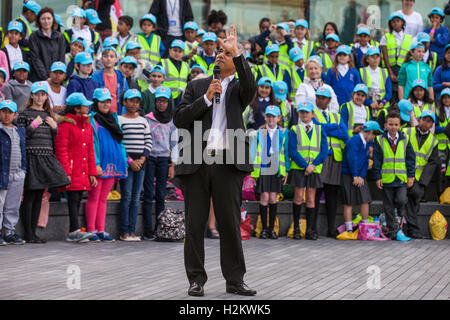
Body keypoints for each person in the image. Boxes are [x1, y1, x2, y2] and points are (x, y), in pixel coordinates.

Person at [173, 25, 257, 297]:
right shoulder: (198, 84)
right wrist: (206, 99)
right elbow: (179, 118)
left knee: (230, 223)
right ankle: (196, 280)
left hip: (227, 162)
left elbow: (250, 85)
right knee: (194, 225)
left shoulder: (240, 89)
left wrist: (239, 53)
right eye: (219, 52)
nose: (221, 55)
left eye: (226, 53)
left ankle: (235, 280)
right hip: (196, 162)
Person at [16, 81, 70, 243]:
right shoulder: (25, 113)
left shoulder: (49, 115)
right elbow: (20, 137)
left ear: (47, 96)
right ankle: (28, 233)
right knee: (30, 196)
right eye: (37, 94)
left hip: (45, 157)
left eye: (43, 94)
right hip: (32, 157)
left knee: (39, 195)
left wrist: (54, 129)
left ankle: (33, 232)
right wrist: (33, 125)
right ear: (31, 95)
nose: (40, 97)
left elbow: (53, 140)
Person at [86, 88, 127, 242]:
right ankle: (91, 230)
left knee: (103, 198)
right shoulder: (91, 120)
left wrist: (124, 162)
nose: (106, 104)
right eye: (102, 101)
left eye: (108, 101)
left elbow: (120, 142)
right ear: (96, 103)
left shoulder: (114, 119)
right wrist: (94, 164)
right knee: (94, 197)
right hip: (98, 164)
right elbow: (91, 144)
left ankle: (101, 230)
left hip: (113, 164)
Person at [55, 92, 97, 243]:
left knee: (78, 198)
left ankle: (75, 229)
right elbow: (61, 150)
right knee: (73, 199)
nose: (88, 106)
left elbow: (90, 151)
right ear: (77, 109)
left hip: (83, 170)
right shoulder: (65, 125)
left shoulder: (87, 125)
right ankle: (73, 230)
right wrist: (66, 172)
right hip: (72, 171)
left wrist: (92, 172)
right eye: (85, 104)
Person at [372, 111, 416, 239]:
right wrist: (377, 177)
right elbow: (377, 160)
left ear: (400, 125)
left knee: (401, 200)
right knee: (388, 205)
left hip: (401, 178)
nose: (393, 127)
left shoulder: (405, 139)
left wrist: (411, 176)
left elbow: (410, 159)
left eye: (396, 124)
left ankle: (400, 226)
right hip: (387, 178)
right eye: (390, 124)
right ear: (385, 125)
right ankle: (393, 231)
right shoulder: (379, 140)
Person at [288, 100, 328, 240]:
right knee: (298, 197)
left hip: (314, 169)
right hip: (300, 168)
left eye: (307, 112)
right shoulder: (294, 130)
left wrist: (312, 166)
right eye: (301, 112)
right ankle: (297, 229)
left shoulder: (320, 129)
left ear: (312, 114)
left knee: (311, 199)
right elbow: (292, 151)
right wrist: (306, 166)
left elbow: (324, 151)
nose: (304, 115)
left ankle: (311, 229)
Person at [142, 86, 177, 240]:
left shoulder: (172, 121)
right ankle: (148, 229)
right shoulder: (148, 118)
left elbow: (174, 143)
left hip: (164, 159)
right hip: (149, 158)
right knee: (149, 193)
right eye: (159, 101)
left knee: (161, 195)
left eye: (164, 101)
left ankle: (160, 229)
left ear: (169, 103)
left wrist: (173, 165)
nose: (161, 104)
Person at [313, 86, 348, 238]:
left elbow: (344, 134)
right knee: (316, 192)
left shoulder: (337, 116)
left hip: (335, 157)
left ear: (328, 100)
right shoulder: (312, 114)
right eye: (318, 97)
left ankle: (331, 228)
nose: (320, 99)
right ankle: (313, 228)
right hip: (321, 157)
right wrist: (333, 128)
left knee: (332, 194)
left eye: (323, 97)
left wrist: (326, 128)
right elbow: (316, 129)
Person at [250, 105, 289, 240]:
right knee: (264, 198)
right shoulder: (259, 133)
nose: (271, 118)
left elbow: (286, 152)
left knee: (273, 198)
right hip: (263, 168)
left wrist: (286, 171)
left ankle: (272, 229)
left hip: (276, 168)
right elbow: (254, 152)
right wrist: (254, 173)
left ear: (279, 118)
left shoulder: (283, 133)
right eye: (268, 116)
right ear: (265, 117)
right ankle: (264, 229)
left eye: (274, 116)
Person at [118, 89, 152, 242]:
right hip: (127, 163)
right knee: (126, 196)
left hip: (141, 163)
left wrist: (142, 159)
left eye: (137, 101)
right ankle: (124, 231)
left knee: (136, 197)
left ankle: (132, 231)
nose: (134, 104)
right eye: (130, 100)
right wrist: (130, 161)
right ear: (124, 102)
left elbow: (148, 141)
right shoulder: (119, 120)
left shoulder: (143, 120)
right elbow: (119, 143)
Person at [341, 120, 383, 233]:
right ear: (369, 132)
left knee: (365, 200)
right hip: (349, 174)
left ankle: (365, 225)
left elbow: (365, 161)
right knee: (349, 201)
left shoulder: (367, 143)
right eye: (375, 134)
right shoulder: (354, 140)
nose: (375, 137)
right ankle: (348, 227)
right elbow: (352, 159)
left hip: (359, 175)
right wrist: (355, 175)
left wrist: (361, 176)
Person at [404, 110, 439, 238]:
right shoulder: (407, 132)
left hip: (418, 178)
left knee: (415, 195)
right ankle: (410, 229)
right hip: (402, 174)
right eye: (424, 119)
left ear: (431, 125)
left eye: (429, 121)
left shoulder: (433, 141)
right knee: (404, 199)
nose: (425, 123)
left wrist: (422, 183)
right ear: (419, 120)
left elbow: (432, 163)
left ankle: (411, 229)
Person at [0, 100, 26, 245]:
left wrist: (24, 169)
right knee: (0, 204)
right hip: (2, 173)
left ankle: (9, 231)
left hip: (17, 173)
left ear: (15, 114)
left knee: (13, 205)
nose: (6, 115)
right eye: (3, 111)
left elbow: (23, 151)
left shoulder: (19, 131)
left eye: (10, 112)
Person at [380, 12, 413, 104]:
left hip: (403, 69)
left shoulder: (409, 38)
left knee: (402, 94)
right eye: (393, 22)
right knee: (390, 94)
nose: (396, 23)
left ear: (402, 22)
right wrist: (390, 73)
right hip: (389, 68)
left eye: (398, 21)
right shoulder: (386, 37)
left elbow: (409, 56)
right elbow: (385, 56)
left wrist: (401, 73)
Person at [28, 7, 66, 82]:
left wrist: (56, 76)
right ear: (39, 20)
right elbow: (36, 59)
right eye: (43, 19)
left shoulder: (60, 36)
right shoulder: (34, 36)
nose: (46, 21)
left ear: (53, 20)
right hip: (40, 79)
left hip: (56, 79)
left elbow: (61, 58)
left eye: (49, 18)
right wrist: (45, 77)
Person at [92, 47, 128, 114]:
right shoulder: (95, 77)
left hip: (118, 114)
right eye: (105, 56)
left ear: (116, 59)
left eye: (111, 56)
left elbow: (125, 97)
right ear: (101, 59)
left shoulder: (122, 77)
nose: (108, 59)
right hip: (101, 115)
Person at [359, 46, 392, 119]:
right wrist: (369, 102)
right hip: (367, 104)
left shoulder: (385, 72)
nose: (375, 59)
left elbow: (389, 92)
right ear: (367, 59)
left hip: (382, 105)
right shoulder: (362, 71)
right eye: (372, 57)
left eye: (377, 57)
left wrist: (383, 102)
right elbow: (359, 90)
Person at [159, 39, 190, 106]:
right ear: (170, 50)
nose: (177, 53)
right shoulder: (163, 62)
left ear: (183, 53)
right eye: (175, 50)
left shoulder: (186, 66)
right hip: (166, 97)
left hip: (182, 98)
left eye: (180, 51)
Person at [435, 88, 450, 194]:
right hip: (441, 147)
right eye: (444, 97)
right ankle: (440, 193)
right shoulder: (437, 111)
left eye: (448, 97)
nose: (446, 100)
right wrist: (445, 130)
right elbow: (434, 128)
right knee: (441, 170)